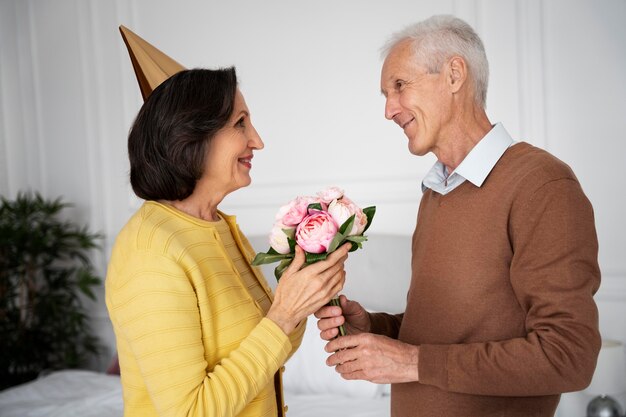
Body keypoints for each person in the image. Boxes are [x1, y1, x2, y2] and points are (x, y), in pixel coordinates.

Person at [315, 14, 601, 417]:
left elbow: (568, 356)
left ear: (454, 75)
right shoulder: (437, 191)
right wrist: (377, 329)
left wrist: (410, 362)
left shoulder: (541, 184)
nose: (388, 110)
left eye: (399, 86)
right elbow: (452, 334)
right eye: (384, 94)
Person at [106, 28, 350, 417]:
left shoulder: (218, 227)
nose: (257, 140)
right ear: (191, 137)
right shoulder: (150, 251)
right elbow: (190, 411)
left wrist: (304, 301)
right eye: (240, 123)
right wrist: (283, 314)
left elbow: (271, 347)